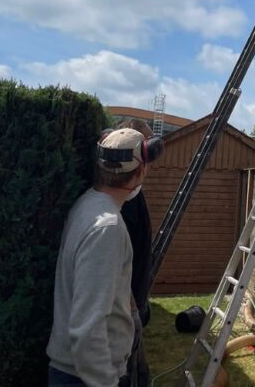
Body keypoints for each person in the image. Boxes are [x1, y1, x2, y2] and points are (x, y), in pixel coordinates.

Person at [47, 127, 162, 387]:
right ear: (140, 170)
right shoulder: (107, 228)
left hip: (77, 373)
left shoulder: (87, 204)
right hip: (85, 377)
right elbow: (87, 328)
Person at [117, 119, 156, 387]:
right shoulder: (120, 208)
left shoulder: (133, 195)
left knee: (140, 375)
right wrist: (132, 309)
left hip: (134, 304)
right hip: (125, 311)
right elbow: (119, 266)